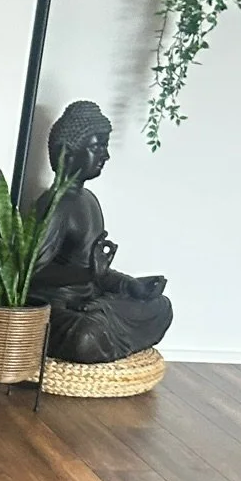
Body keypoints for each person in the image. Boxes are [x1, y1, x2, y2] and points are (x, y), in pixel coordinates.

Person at [30, 101, 174, 364]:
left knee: (161, 307)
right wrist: (89, 274)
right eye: (97, 147)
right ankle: (98, 340)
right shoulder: (55, 205)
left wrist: (131, 285)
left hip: (92, 303)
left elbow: (97, 273)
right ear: (68, 153)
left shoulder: (89, 200)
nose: (105, 156)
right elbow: (30, 275)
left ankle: (103, 334)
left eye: (105, 147)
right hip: (59, 309)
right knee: (85, 335)